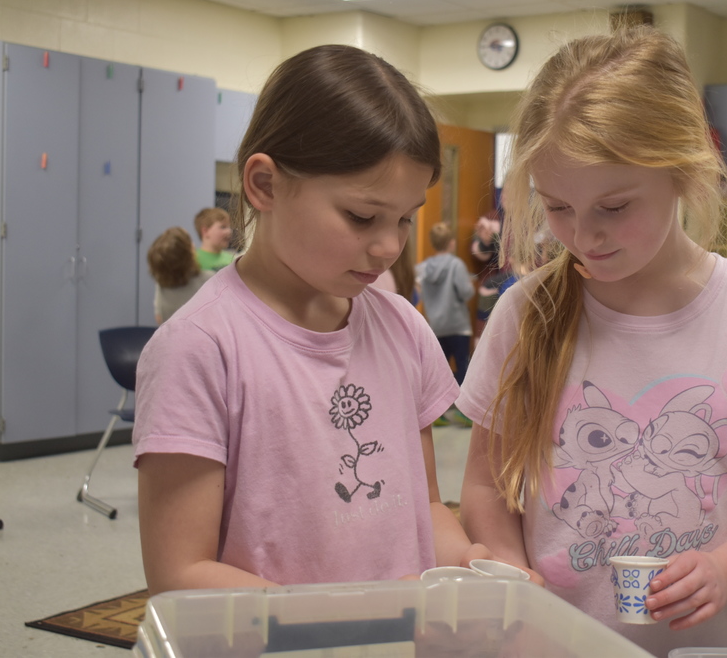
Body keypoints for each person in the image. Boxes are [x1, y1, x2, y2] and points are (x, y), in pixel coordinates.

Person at [457, 25, 727, 656]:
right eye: (558, 207)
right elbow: (483, 485)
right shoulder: (524, 315)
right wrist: (509, 571)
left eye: (614, 207)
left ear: (683, 172)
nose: (584, 236)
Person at [132, 44, 491, 596]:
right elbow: (180, 575)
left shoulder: (403, 328)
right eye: (362, 216)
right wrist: (335, 618)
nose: (390, 246)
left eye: (405, 218)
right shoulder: (199, 348)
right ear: (265, 185)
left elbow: (423, 508)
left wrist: (466, 563)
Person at [416, 221, 475, 427]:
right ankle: (464, 412)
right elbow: (466, 292)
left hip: (436, 326)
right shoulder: (456, 265)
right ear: (451, 243)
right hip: (458, 325)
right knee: (462, 366)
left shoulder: (423, 268)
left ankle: (436, 413)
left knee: (436, 370)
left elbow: (417, 288)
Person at [146, 226, 214, 325]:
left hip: (171, 337)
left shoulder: (162, 283)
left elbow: (159, 318)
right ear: (190, 253)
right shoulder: (208, 279)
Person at [193, 207, 235, 271]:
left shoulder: (232, 260)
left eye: (229, 227)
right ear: (205, 231)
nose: (229, 231)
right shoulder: (194, 260)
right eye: (223, 227)